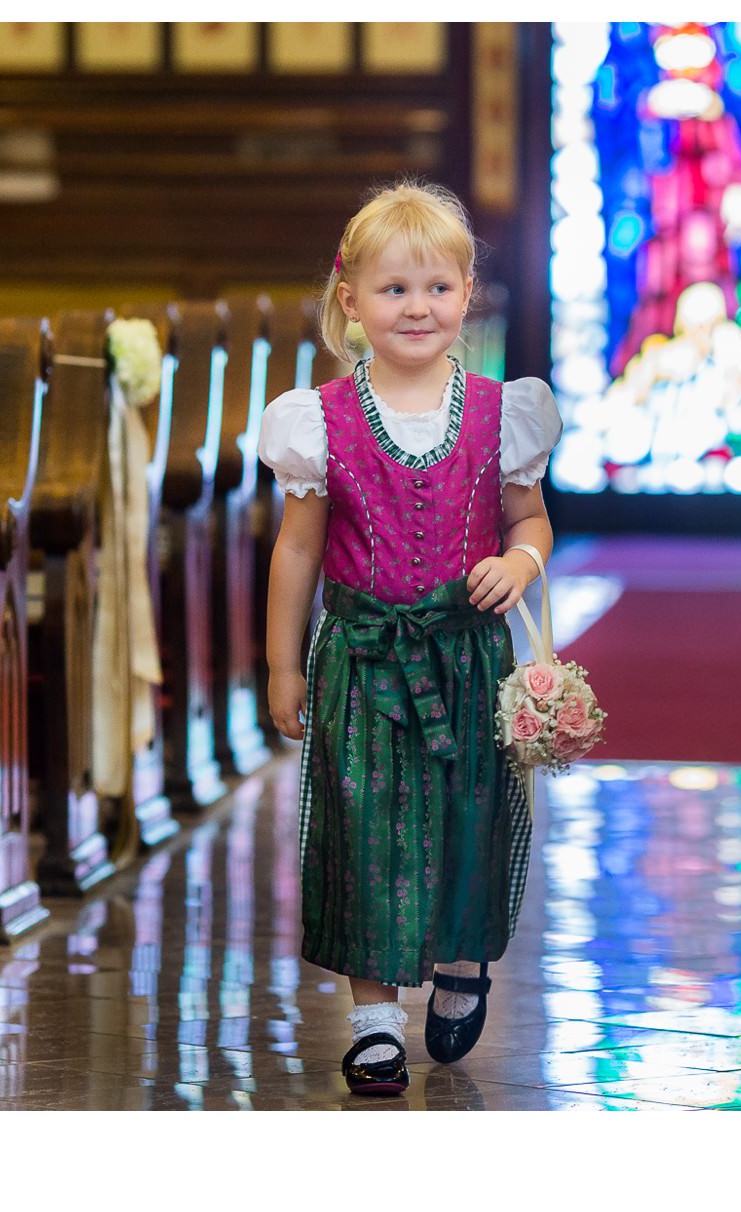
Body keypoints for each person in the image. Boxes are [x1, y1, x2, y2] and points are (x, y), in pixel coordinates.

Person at [258, 181, 563, 1096]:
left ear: (467, 295)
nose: (417, 308)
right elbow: (296, 548)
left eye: (436, 288)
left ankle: (464, 959)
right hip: (361, 660)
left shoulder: (502, 411)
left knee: (469, 818)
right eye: (394, 291)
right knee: (364, 830)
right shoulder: (318, 420)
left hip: (467, 658)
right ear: (350, 301)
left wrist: (520, 564)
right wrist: (281, 663)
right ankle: (375, 1017)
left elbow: (533, 521)